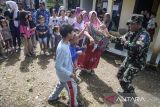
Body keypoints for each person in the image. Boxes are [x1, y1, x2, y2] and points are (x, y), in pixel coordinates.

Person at [113, 15, 151, 94]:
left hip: (137, 62)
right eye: (129, 23)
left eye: (131, 24)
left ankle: (129, 91)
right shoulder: (130, 32)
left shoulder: (144, 35)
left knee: (124, 80)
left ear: (138, 24)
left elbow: (137, 48)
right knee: (119, 75)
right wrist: (107, 36)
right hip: (129, 58)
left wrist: (126, 43)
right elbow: (120, 39)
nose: (129, 25)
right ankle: (129, 88)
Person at [48, 24, 79, 107]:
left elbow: (68, 57)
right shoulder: (62, 48)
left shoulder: (66, 42)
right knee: (73, 89)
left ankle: (52, 98)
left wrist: (72, 65)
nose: (74, 33)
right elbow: (57, 66)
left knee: (61, 84)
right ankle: (74, 105)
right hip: (66, 75)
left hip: (64, 73)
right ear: (68, 34)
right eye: (72, 32)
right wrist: (70, 74)